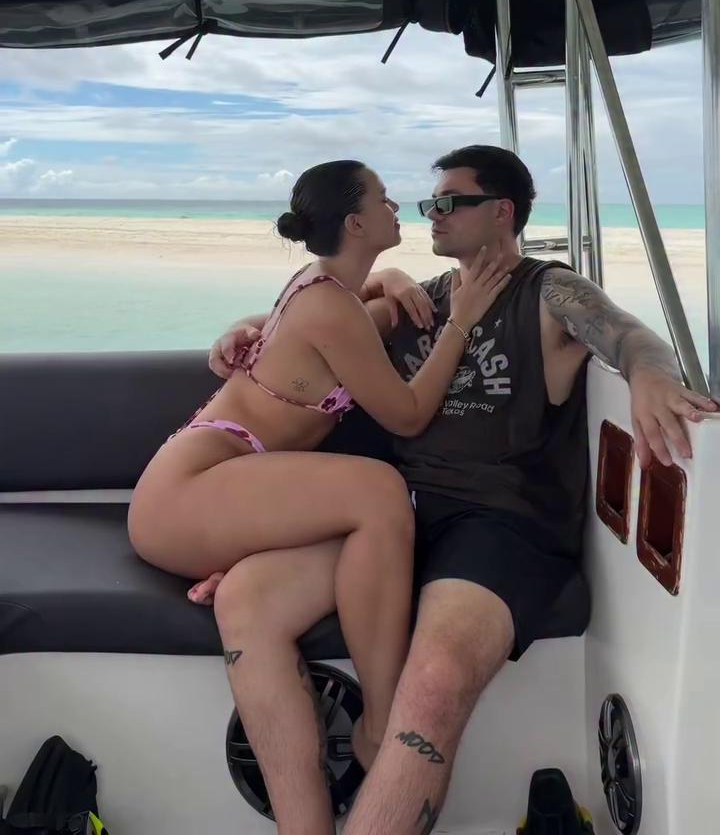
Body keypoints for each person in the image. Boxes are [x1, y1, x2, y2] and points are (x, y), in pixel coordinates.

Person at [209, 144, 719, 835]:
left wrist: (653, 373)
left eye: (449, 202)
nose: (433, 214)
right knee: (245, 596)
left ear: (501, 212)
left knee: (435, 679)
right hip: (399, 516)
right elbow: (316, 326)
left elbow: (625, 333)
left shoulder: (548, 292)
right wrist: (245, 329)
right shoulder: (424, 302)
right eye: (430, 203)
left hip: (499, 524)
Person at [127, 158, 511, 835]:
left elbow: (374, 305)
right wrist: (462, 321)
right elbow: (407, 415)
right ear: (356, 223)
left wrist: (395, 278)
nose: (399, 208)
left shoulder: (330, 289)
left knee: (262, 593)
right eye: (385, 200)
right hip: (187, 491)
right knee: (379, 491)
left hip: (232, 492)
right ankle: (381, 723)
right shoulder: (329, 306)